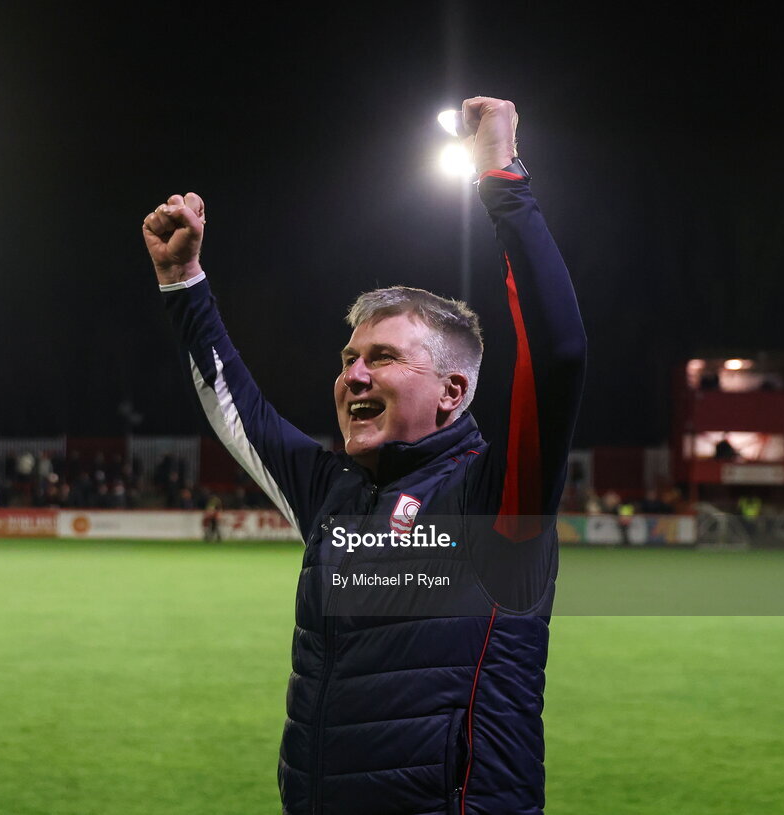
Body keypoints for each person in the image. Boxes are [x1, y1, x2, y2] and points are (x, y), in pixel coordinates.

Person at [142, 97, 586, 815]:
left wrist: (502, 176)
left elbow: (559, 352)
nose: (352, 375)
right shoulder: (334, 494)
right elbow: (241, 414)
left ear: (452, 391)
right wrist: (184, 283)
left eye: (381, 358)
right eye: (348, 358)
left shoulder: (496, 500)